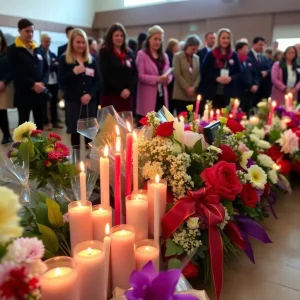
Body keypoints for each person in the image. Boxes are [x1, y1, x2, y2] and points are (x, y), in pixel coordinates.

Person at [58, 28, 99, 147]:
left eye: (83, 42)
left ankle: (89, 160)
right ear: (72, 43)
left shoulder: (91, 60)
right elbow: (61, 80)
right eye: (78, 42)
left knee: (89, 134)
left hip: (89, 102)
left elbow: (98, 81)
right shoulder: (64, 59)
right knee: (74, 132)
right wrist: (73, 72)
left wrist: (90, 94)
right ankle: (76, 161)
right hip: (73, 102)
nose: (81, 45)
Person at [7, 19, 49, 130]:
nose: (30, 34)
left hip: (39, 93)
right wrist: (33, 84)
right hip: (23, 94)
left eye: (32, 31)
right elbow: (15, 71)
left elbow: (46, 68)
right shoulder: (13, 50)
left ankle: (39, 147)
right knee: (23, 127)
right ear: (19, 31)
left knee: (39, 126)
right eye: (27, 31)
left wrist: (43, 83)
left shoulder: (38, 49)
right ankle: (23, 147)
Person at [99, 23, 136, 112]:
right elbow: (105, 75)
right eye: (116, 35)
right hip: (111, 95)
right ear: (110, 37)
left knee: (126, 124)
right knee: (111, 124)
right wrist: (121, 90)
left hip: (127, 96)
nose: (119, 38)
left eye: (121, 35)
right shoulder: (104, 52)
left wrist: (129, 89)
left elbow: (135, 73)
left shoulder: (129, 52)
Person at [136, 25, 172, 117]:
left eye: (160, 40)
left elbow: (169, 73)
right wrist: (157, 79)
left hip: (162, 95)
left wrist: (168, 79)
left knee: (162, 126)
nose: (158, 42)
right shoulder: (142, 54)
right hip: (147, 97)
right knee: (148, 127)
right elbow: (140, 76)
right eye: (155, 39)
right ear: (149, 39)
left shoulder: (164, 56)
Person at [201, 28, 241, 109]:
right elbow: (204, 71)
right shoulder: (211, 54)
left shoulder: (234, 55)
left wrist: (231, 78)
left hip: (228, 92)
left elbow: (239, 72)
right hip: (212, 92)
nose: (226, 40)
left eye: (228, 38)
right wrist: (216, 78)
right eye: (223, 38)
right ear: (219, 39)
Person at [172, 35, 201, 114]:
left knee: (192, 121)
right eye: (193, 49)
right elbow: (177, 74)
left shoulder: (197, 58)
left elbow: (198, 74)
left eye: (196, 49)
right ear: (187, 46)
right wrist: (187, 88)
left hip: (193, 95)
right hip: (181, 94)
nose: (194, 51)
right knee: (182, 121)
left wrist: (194, 87)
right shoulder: (178, 56)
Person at [40, 33, 63, 130]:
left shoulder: (52, 54)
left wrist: (52, 66)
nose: (48, 43)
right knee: (44, 104)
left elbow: (57, 65)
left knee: (54, 103)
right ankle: (45, 122)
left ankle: (54, 121)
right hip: (44, 82)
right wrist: (52, 66)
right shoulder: (38, 53)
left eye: (49, 41)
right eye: (46, 41)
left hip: (54, 82)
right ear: (42, 41)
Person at [235, 41, 259, 114]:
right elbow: (239, 75)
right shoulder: (235, 60)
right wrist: (249, 86)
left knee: (248, 111)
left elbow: (255, 73)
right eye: (245, 48)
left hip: (250, 92)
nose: (247, 50)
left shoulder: (249, 59)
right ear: (239, 50)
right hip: (239, 91)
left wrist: (256, 84)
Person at [248, 36, 272, 105]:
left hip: (262, 87)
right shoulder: (248, 55)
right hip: (252, 86)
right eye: (260, 45)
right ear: (254, 44)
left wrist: (267, 72)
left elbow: (270, 68)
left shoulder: (262, 57)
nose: (262, 47)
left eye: (263, 45)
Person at [0, 30, 13, 144]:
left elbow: (11, 70)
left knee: (2, 110)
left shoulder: (7, 52)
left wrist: (4, 81)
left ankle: (7, 135)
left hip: (4, 86)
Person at [165, 38, 179, 113]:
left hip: (172, 80)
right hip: (169, 83)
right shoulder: (168, 55)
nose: (178, 47)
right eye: (177, 45)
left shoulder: (174, 55)